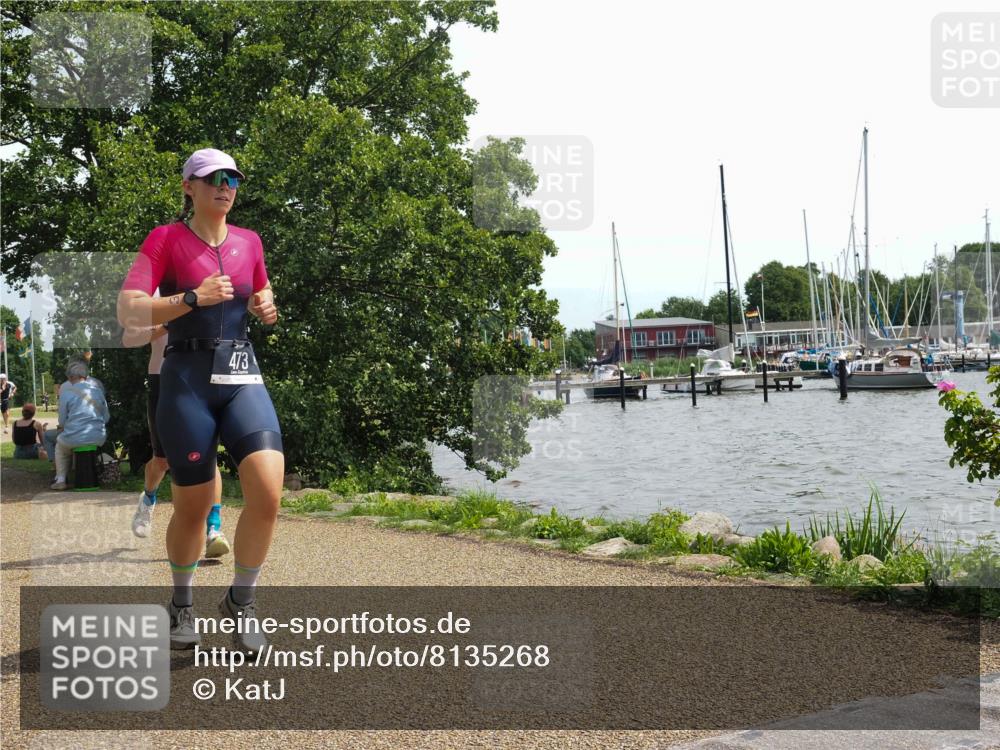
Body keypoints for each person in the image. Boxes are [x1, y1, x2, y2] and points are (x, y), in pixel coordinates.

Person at [117, 147, 282, 652]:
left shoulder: (250, 242)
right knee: (191, 508)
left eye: (232, 177)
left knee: (268, 493)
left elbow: (262, 292)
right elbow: (129, 311)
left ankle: (242, 601)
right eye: (213, 177)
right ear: (189, 186)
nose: (225, 185)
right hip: (185, 378)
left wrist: (266, 304)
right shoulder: (165, 239)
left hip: (241, 373)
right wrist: (190, 298)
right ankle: (182, 604)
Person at [122, 314, 231, 557]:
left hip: (201, 378)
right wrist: (169, 324)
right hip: (162, 379)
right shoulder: (156, 295)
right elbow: (131, 338)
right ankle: (148, 499)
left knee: (207, 454)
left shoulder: (206, 290)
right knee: (162, 461)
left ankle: (214, 528)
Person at [47, 361, 110, 490]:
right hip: (98, 436)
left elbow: (62, 421)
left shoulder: (66, 393)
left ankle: (61, 480)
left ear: (70, 377)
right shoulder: (97, 391)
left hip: (75, 437)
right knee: (73, 442)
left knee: (60, 446)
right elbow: (106, 417)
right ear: (86, 376)